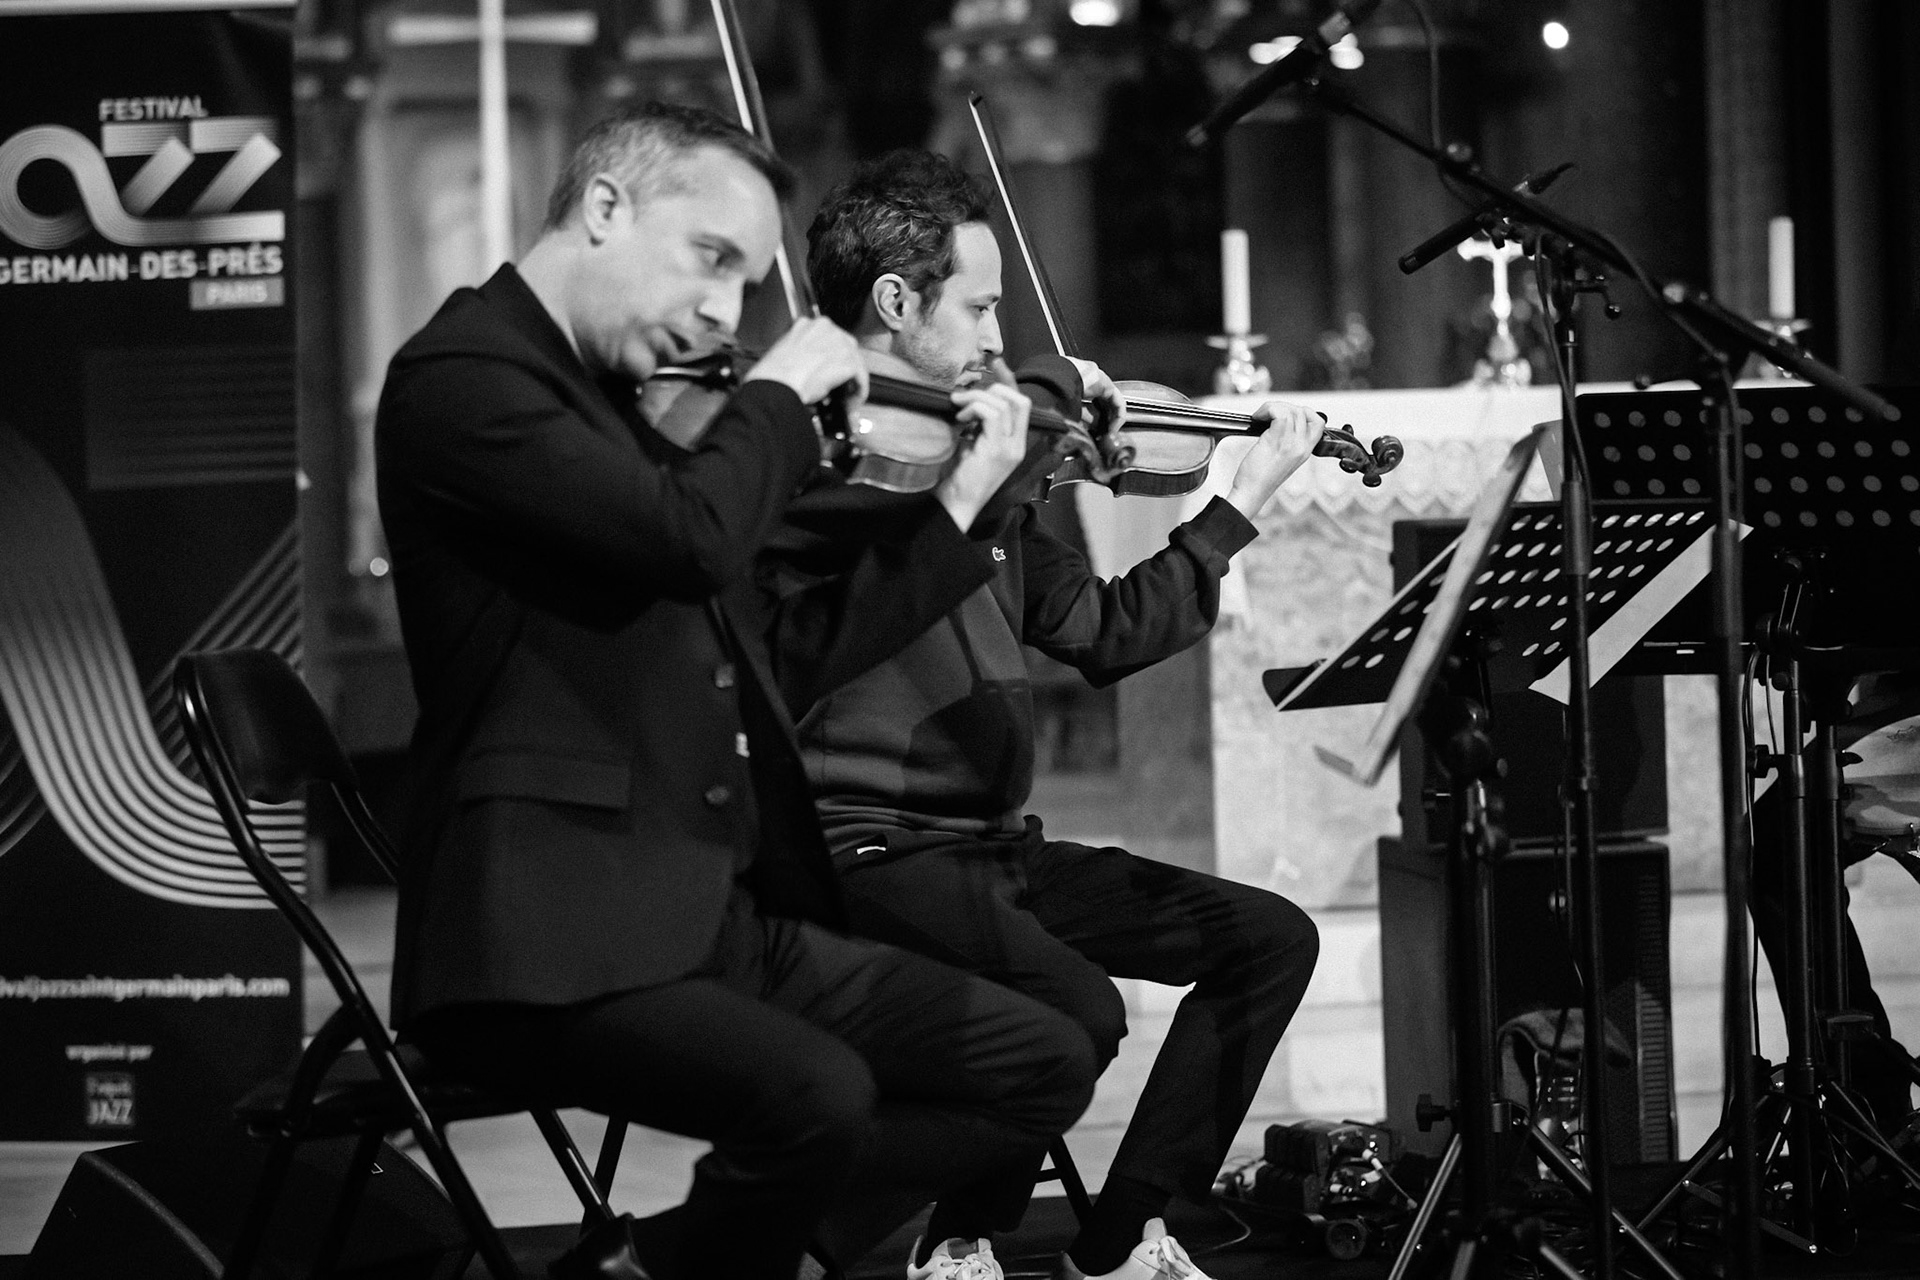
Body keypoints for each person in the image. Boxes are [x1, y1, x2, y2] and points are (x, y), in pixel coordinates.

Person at [374, 103, 1099, 1280]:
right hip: (545, 930)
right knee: (813, 1094)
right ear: (606, 207)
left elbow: (785, 652)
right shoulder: (466, 376)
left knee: (1043, 1057)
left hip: (698, 905)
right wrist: (781, 393)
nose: (724, 307)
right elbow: (690, 536)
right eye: (712, 258)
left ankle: (675, 1260)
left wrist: (959, 501)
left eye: (747, 277)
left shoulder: (626, 399)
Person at [796, 148, 1324, 1280]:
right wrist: (1023, 423)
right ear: (895, 303)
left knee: (1269, 936)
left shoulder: (983, 470)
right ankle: (953, 1236)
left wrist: (1230, 512)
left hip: (992, 851)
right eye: (980, 307)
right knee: (1070, 1006)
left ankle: (1131, 1229)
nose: (996, 334)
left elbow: (1104, 632)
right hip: (866, 852)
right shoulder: (812, 455)